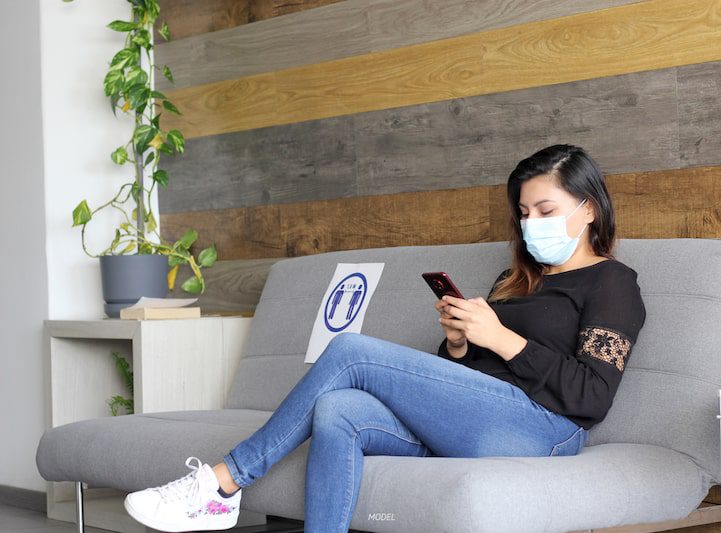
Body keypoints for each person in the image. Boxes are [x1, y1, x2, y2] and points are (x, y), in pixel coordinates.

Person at [123, 144, 647, 532]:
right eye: (525, 213)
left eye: (547, 211)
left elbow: (592, 398)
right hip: (478, 421)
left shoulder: (612, 283)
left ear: (590, 209)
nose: (532, 224)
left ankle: (222, 483)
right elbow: (471, 383)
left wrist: (502, 337)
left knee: (351, 351)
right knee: (340, 409)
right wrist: (462, 345)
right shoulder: (515, 283)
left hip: (544, 432)